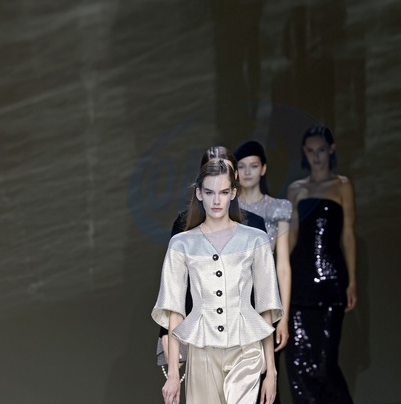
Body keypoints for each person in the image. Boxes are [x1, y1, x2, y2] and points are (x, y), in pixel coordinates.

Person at [152, 159, 283, 404]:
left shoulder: (256, 240)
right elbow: (175, 311)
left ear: (233, 193)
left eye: (223, 192)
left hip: (246, 350)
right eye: (210, 192)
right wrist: (173, 374)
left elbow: (265, 308)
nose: (216, 200)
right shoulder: (181, 244)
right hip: (201, 351)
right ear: (199, 194)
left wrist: (271, 372)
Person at [284, 125, 356, 404]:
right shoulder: (296, 189)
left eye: (321, 150)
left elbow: (347, 234)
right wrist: (278, 274)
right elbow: (291, 236)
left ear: (331, 150)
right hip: (299, 282)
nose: (316, 156)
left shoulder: (342, 185)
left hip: (331, 279)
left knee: (325, 363)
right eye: (311, 151)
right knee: (300, 363)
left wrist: (352, 281)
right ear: (304, 152)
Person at [234, 140, 292, 404]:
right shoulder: (226, 210)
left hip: (265, 302)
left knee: (268, 377)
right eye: (242, 166)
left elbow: (283, 266)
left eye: (253, 166)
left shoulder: (278, 208)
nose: (247, 172)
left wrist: (284, 318)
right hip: (234, 302)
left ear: (264, 169)